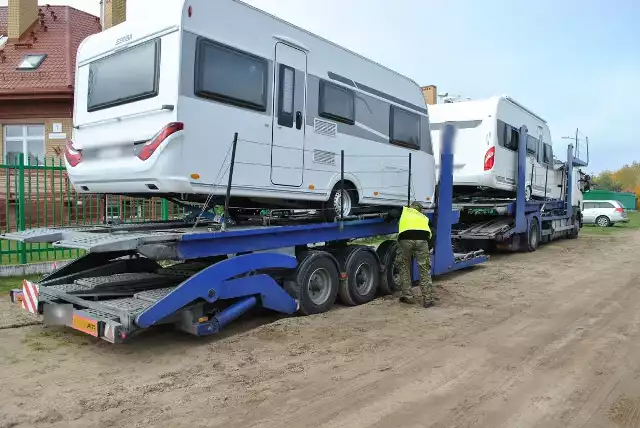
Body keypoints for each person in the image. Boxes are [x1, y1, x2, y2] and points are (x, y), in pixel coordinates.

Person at [387, 201, 434, 308]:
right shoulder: (424, 217)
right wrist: (429, 246)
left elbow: (392, 213)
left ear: (411, 207)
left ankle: (408, 297)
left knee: (404, 267)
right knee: (424, 269)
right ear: (419, 210)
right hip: (422, 241)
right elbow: (433, 232)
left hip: (406, 240)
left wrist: (388, 219)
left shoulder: (404, 210)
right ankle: (428, 299)